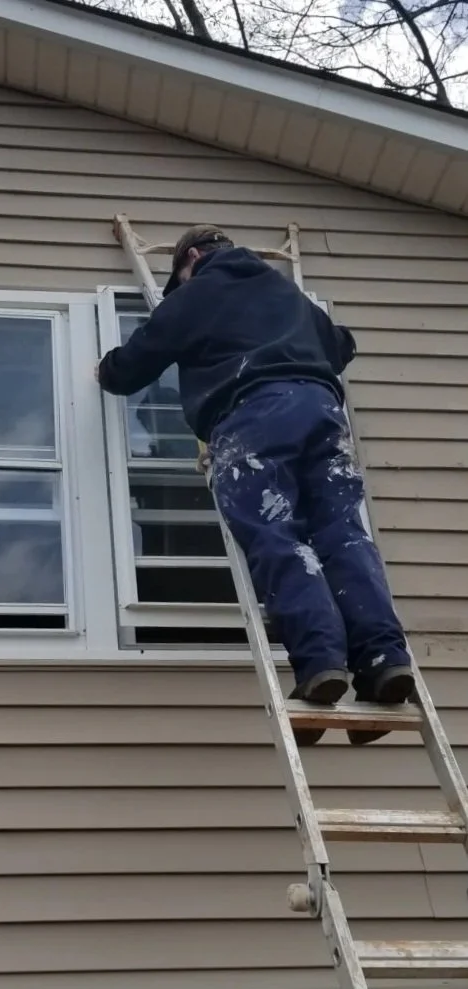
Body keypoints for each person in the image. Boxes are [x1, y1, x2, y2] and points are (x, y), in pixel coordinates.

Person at [95, 224, 414, 746]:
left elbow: (134, 365)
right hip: (323, 413)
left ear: (192, 257)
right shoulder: (286, 292)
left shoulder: (199, 291)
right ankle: (383, 659)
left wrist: (103, 370)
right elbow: (341, 345)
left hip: (255, 414)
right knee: (344, 536)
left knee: (275, 533)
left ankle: (320, 660)